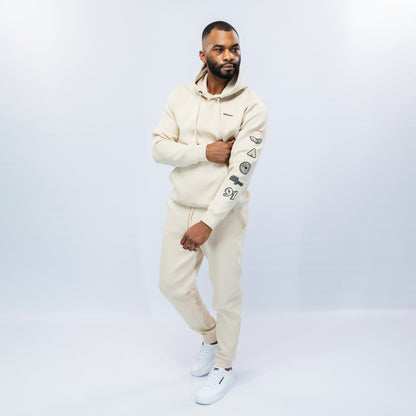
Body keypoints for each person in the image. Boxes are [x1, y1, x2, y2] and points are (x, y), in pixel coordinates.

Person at [152, 20, 267, 405]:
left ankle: (225, 366)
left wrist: (208, 222)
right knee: (171, 285)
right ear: (203, 55)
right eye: (220, 49)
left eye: (234, 48)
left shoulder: (252, 106)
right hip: (181, 206)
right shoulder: (180, 97)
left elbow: (240, 173)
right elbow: (159, 149)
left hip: (224, 216)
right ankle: (210, 337)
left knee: (226, 296)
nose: (229, 55)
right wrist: (205, 151)